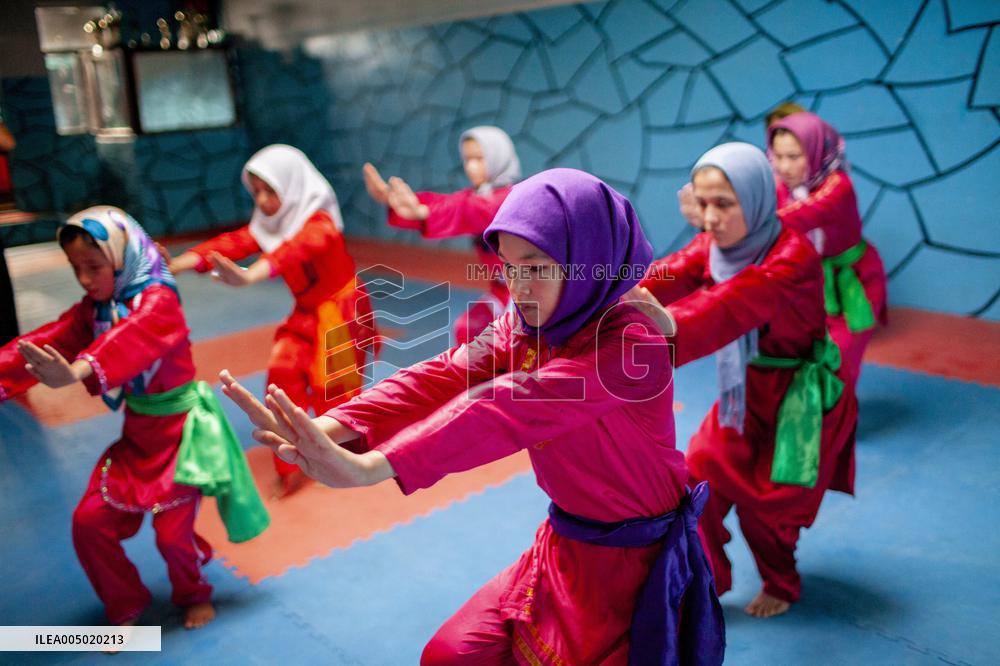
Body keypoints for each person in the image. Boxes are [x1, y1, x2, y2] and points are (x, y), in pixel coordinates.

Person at [223, 168, 725, 664]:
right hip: (564, 546)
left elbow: (512, 405)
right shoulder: (526, 323)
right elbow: (444, 373)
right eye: (508, 267)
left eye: (535, 267)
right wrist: (330, 425)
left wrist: (373, 467)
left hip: (636, 567)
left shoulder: (631, 344)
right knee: (447, 655)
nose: (519, 286)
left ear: (586, 258)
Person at [0, 206, 268, 628]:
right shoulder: (97, 308)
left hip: (183, 438)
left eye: (94, 266)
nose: (86, 279)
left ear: (121, 255)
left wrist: (76, 371)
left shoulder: (159, 299)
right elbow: (48, 339)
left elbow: (133, 336)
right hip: (138, 438)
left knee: (172, 535)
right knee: (88, 522)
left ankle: (194, 593)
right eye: (76, 269)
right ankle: (124, 602)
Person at [633, 143, 858, 618]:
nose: (710, 219)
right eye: (704, 202)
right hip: (746, 396)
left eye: (724, 204)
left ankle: (781, 581)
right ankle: (708, 577)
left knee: (769, 510)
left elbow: (731, 304)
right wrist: (616, 293)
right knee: (697, 479)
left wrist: (663, 324)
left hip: (797, 402)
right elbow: (672, 272)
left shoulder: (790, 258)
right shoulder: (720, 246)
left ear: (755, 199)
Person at [164, 144, 378, 497]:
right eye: (256, 192)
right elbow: (233, 242)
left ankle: (342, 457)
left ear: (292, 187)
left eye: (270, 191)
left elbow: (294, 250)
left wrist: (251, 276)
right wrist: (178, 264)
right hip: (306, 313)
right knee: (282, 373)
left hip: (340, 315)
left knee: (334, 390)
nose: (262, 201)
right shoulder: (271, 225)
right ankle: (292, 462)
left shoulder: (320, 224)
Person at [363, 126, 520, 344]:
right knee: (468, 330)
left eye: (479, 158)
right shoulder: (481, 195)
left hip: (527, 294)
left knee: (517, 347)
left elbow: (466, 210)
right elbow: (448, 203)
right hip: (502, 292)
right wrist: (395, 201)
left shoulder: (506, 199)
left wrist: (423, 213)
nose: (471, 166)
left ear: (497, 157)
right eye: (467, 159)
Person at [767, 112, 887, 387]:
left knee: (842, 359)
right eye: (778, 156)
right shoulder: (779, 186)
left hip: (854, 283)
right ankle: (815, 419)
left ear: (816, 149)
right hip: (809, 284)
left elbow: (801, 214)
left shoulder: (838, 186)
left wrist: (744, 220)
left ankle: (838, 423)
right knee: (798, 359)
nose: (784, 166)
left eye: (794, 156)